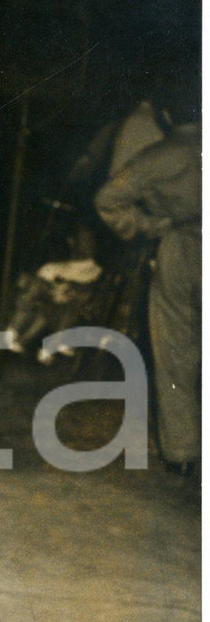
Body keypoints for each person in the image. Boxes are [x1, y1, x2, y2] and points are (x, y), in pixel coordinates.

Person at [95, 113, 201, 476]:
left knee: (175, 350)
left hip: (181, 246)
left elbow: (108, 198)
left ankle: (182, 452)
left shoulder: (163, 154)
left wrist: (149, 226)